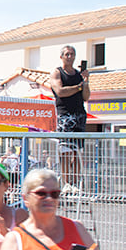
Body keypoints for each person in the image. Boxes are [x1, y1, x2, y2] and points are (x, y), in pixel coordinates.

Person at [50, 45, 90, 193]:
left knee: (78, 151)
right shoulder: (57, 72)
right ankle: (67, 182)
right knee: (65, 150)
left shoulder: (79, 76)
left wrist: (85, 82)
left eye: (72, 54)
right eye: (67, 54)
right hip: (65, 115)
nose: (69, 56)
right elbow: (60, 91)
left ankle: (76, 182)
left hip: (79, 114)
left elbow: (86, 96)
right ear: (61, 57)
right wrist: (78, 87)